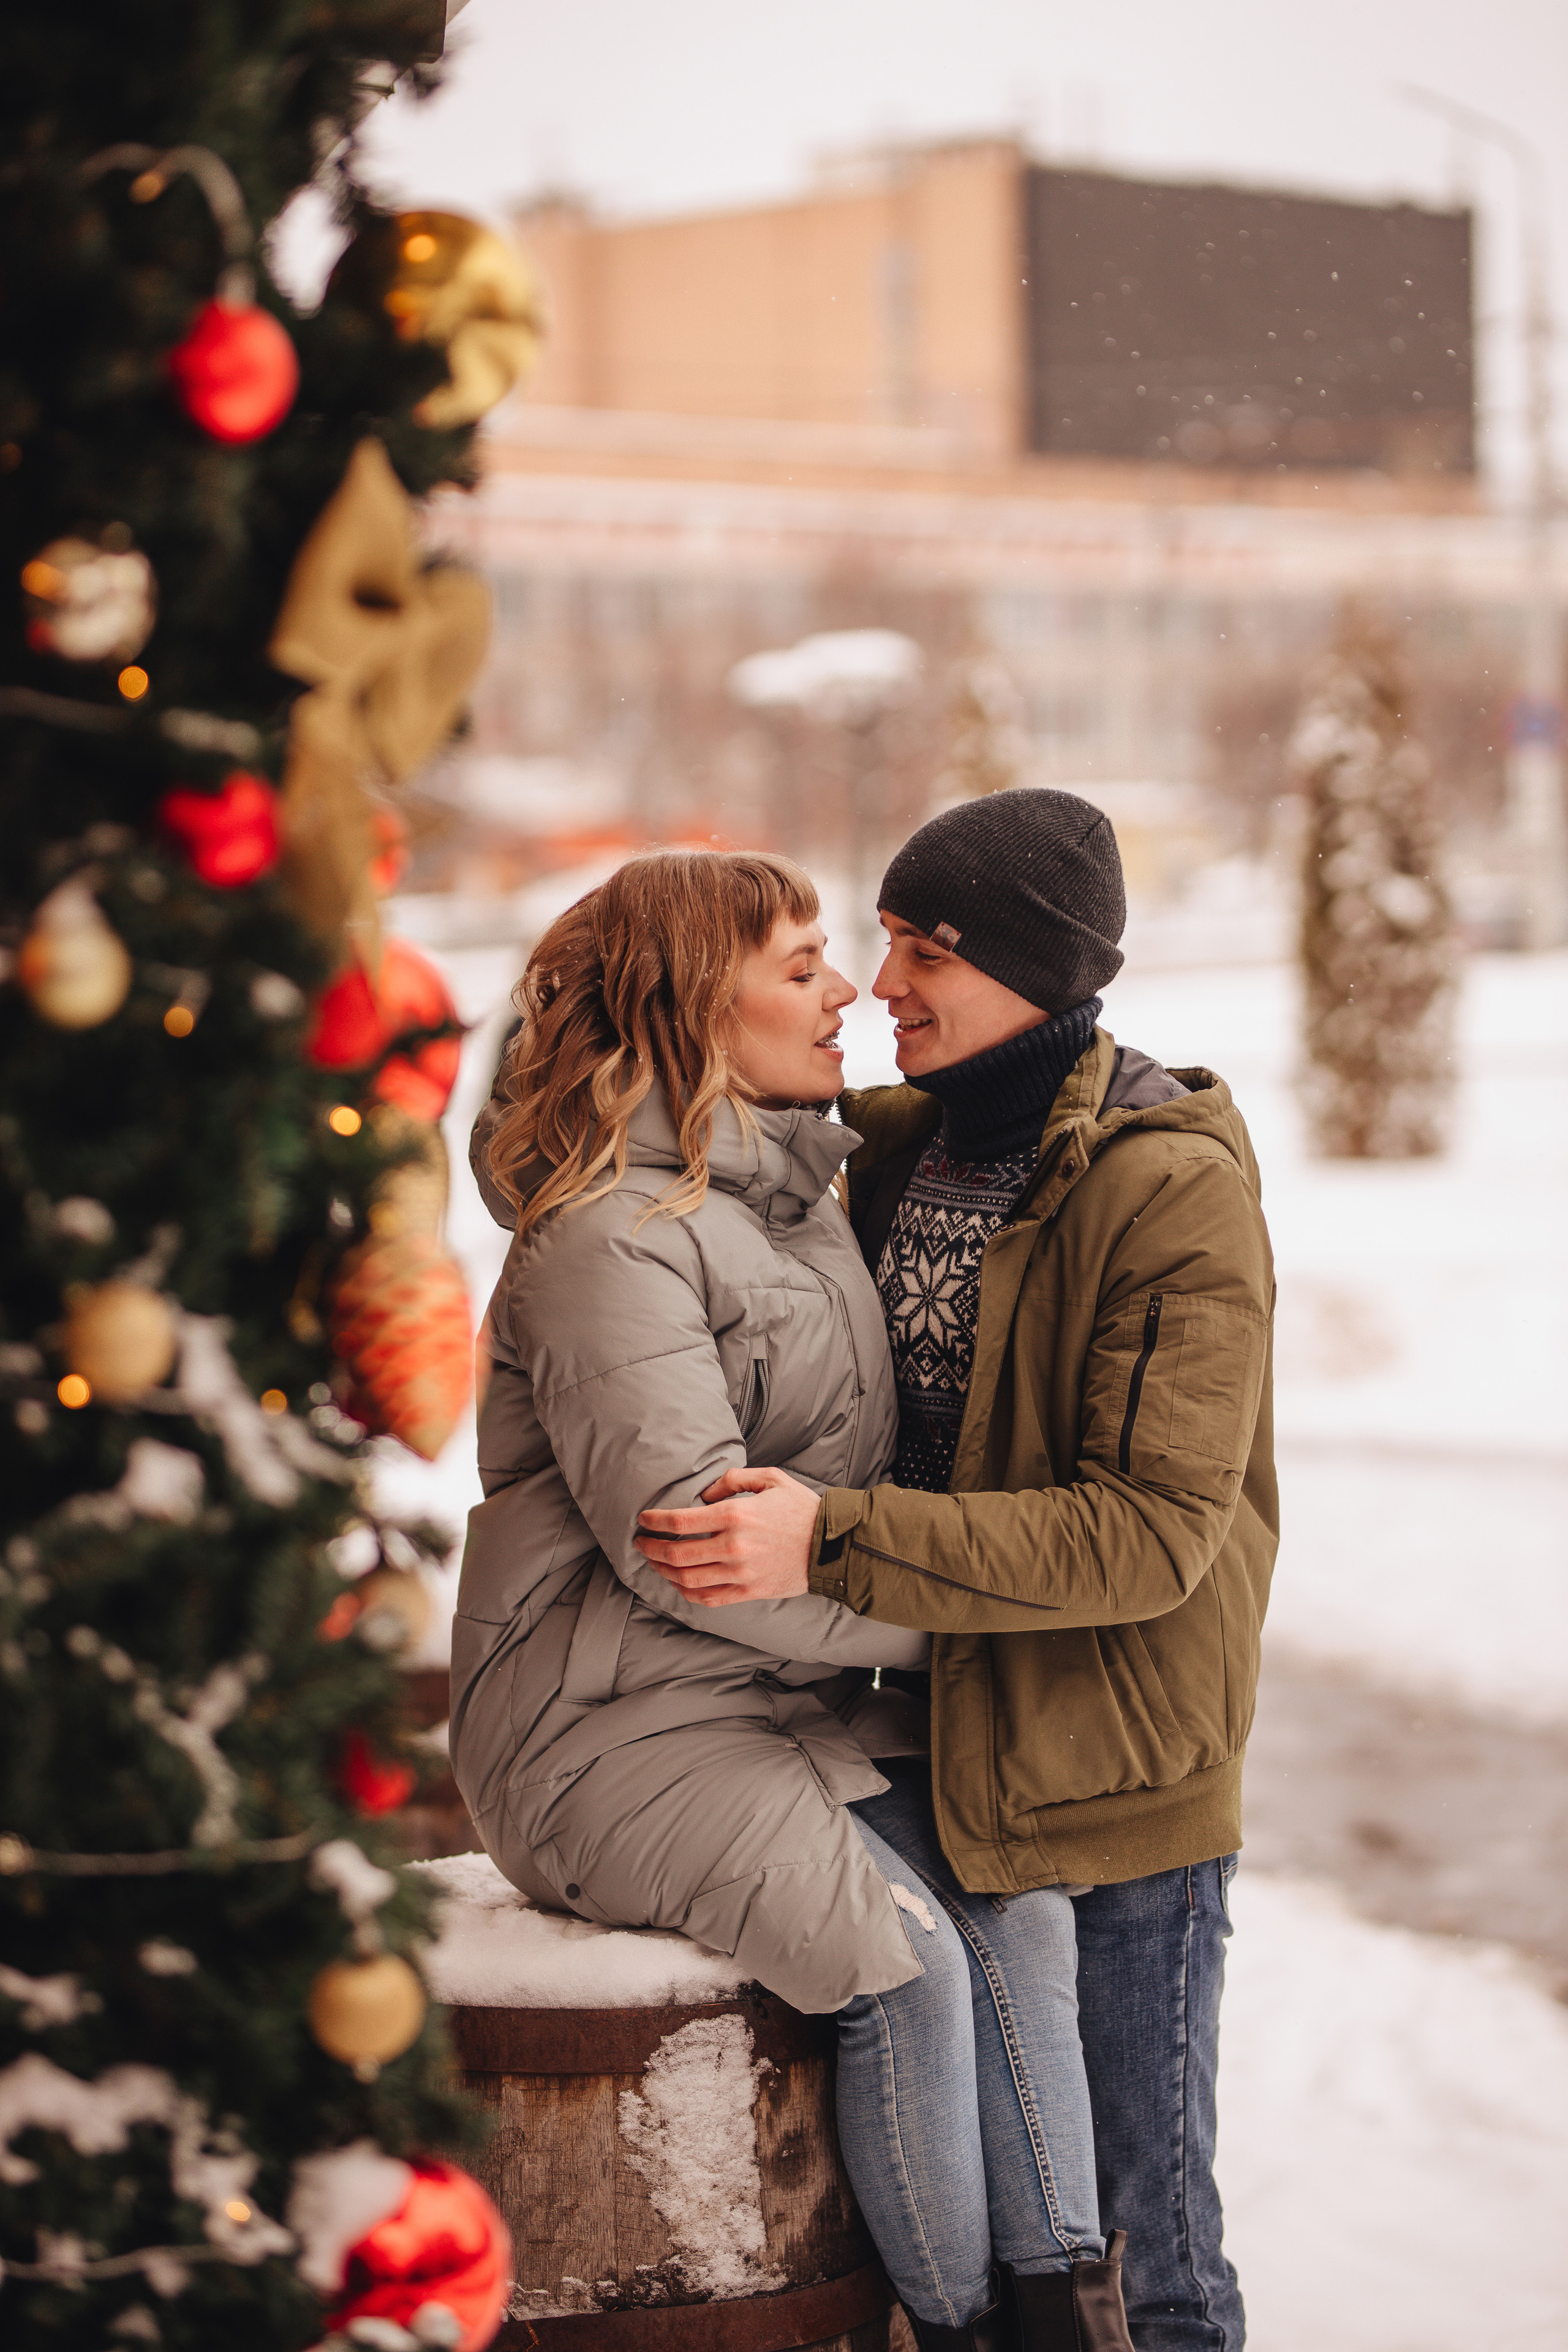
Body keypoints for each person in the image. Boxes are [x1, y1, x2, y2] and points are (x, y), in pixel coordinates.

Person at [453, 849, 1136, 2352]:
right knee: (910, 1973)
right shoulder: (603, 1239)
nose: (846, 995)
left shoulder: (791, 1191)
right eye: (801, 966)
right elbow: (690, 1552)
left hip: (789, 1702)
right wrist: (955, 1623)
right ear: (694, 1012)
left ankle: (1068, 2323)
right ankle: (953, 2333)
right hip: (604, 1732)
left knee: (1013, 1902)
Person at [637, 792, 1278, 2352]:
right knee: (1008, 2263)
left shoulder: (1167, 1186)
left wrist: (831, 1540)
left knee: (1147, 2254)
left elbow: (1147, 1531)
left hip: (1109, 1768)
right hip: (934, 1732)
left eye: (930, 948)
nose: (887, 980)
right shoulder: (890, 1155)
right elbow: (638, 1119)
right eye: (882, 938)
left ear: (1045, 972)